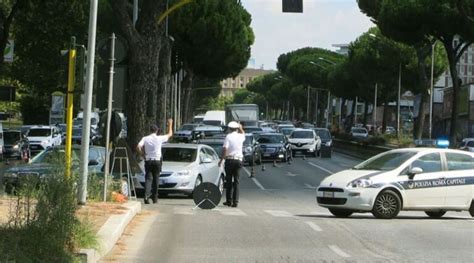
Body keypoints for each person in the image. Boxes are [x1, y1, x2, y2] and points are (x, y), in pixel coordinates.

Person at [137, 119, 173, 204]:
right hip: (157, 161)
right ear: (156, 130)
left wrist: (142, 154)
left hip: (148, 160)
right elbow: (170, 134)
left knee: (148, 179)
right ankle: (155, 197)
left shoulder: (145, 138)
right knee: (156, 179)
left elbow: (138, 146)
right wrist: (170, 124)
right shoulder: (159, 138)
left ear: (150, 130)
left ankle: (146, 195)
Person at [218, 121, 245, 207]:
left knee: (229, 181)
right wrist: (240, 127)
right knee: (236, 182)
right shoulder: (241, 136)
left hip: (229, 160)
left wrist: (221, 159)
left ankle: (229, 201)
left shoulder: (228, 137)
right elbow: (243, 132)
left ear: (229, 129)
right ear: (236, 128)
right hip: (238, 160)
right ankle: (235, 202)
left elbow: (225, 149)